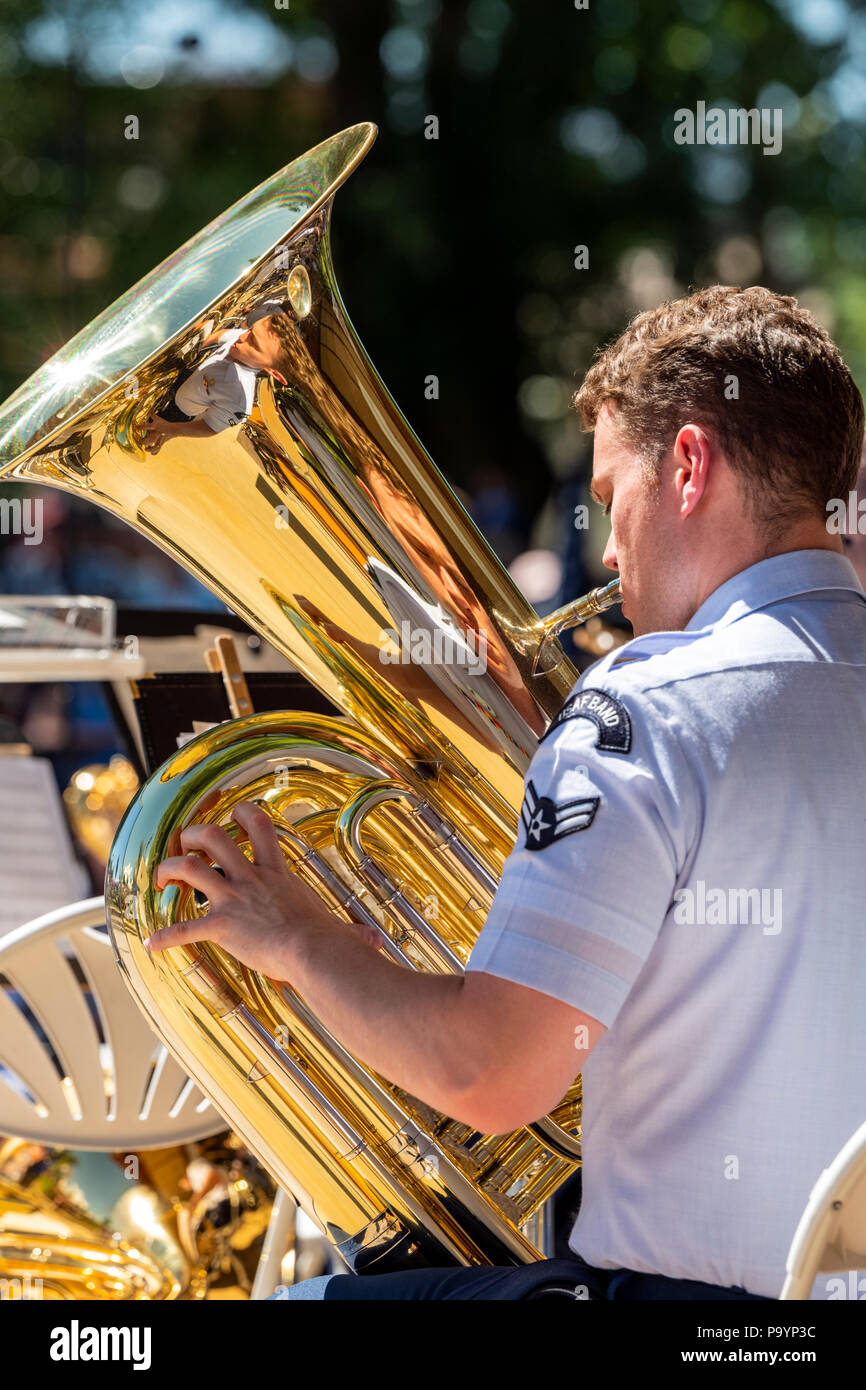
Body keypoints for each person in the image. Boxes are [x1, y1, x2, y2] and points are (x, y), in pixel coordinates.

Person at [146, 284, 866, 1300]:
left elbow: (491, 1077)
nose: (608, 552)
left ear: (689, 466)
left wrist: (299, 936)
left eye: (612, 498)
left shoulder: (646, 706)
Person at [142, 301, 289, 453]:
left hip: (179, 410)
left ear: (273, 372)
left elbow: (209, 428)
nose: (243, 337)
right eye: (251, 331)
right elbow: (218, 336)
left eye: (254, 344)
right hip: (186, 378)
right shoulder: (241, 338)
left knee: (147, 430)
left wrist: (170, 429)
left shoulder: (239, 399)